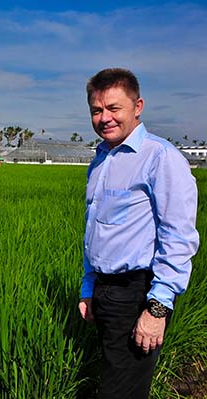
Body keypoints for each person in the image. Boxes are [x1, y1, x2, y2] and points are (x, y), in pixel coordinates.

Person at [78, 68, 199, 399]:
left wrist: (157, 308)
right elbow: (94, 231)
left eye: (114, 108)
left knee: (122, 392)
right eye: (97, 110)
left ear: (138, 106)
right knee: (117, 381)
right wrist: (89, 287)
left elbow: (179, 238)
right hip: (105, 291)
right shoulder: (101, 160)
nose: (105, 118)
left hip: (138, 294)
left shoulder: (161, 158)